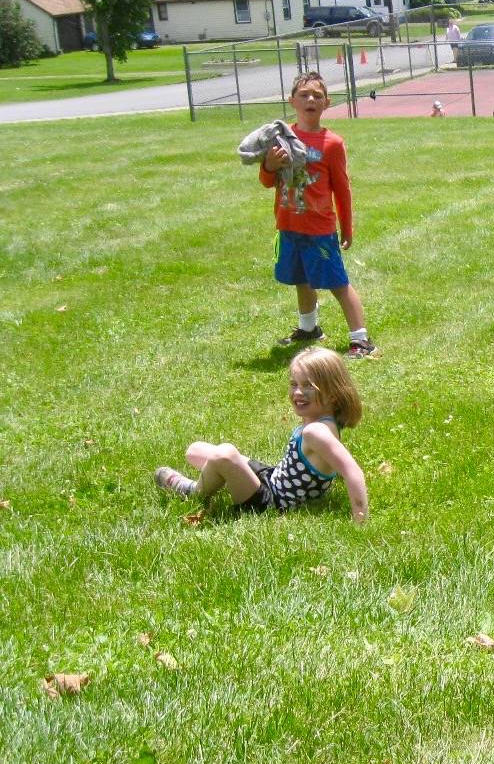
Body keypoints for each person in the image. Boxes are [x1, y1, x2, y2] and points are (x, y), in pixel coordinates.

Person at [154, 347, 369, 523]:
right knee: (196, 450)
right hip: (272, 478)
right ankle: (222, 477)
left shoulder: (316, 431)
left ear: (333, 394)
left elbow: (353, 472)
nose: (297, 392)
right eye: (294, 384)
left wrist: (361, 522)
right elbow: (332, 459)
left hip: (272, 504)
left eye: (308, 386)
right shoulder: (324, 421)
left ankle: (192, 490)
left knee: (224, 454)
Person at [262, 72, 377, 358]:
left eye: (317, 95)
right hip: (289, 224)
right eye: (304, 94)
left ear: (327, 102)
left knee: (337, 282)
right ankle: (309, 328)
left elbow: (342, 189)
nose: (310, 99)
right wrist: (269, 164)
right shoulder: (281, 137)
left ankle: (361, 339)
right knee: (301, 278)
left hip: (319, 229)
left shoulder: (332, 143)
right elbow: (266, 181)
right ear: (292, 101)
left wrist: (347, 227)